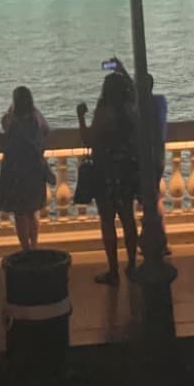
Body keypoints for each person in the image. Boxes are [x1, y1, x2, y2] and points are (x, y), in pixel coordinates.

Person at [80, 70, 141, 285]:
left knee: (107, 221)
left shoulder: (103, 112)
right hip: (126, 172)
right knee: (128, 219)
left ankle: (113, 269)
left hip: (105, 172)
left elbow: (88, 139)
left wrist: (80, 117)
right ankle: (132, 265)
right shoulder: (131, 112)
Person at [0, 85, 52, 250]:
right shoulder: (35, 117)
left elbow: (5, 125)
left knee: (19, 213)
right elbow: (46, 130)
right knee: (32, 210)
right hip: (34, 169)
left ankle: (25, 248)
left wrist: (11, 108)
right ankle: (34, 245)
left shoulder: (11, 119)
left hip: (14, 170)